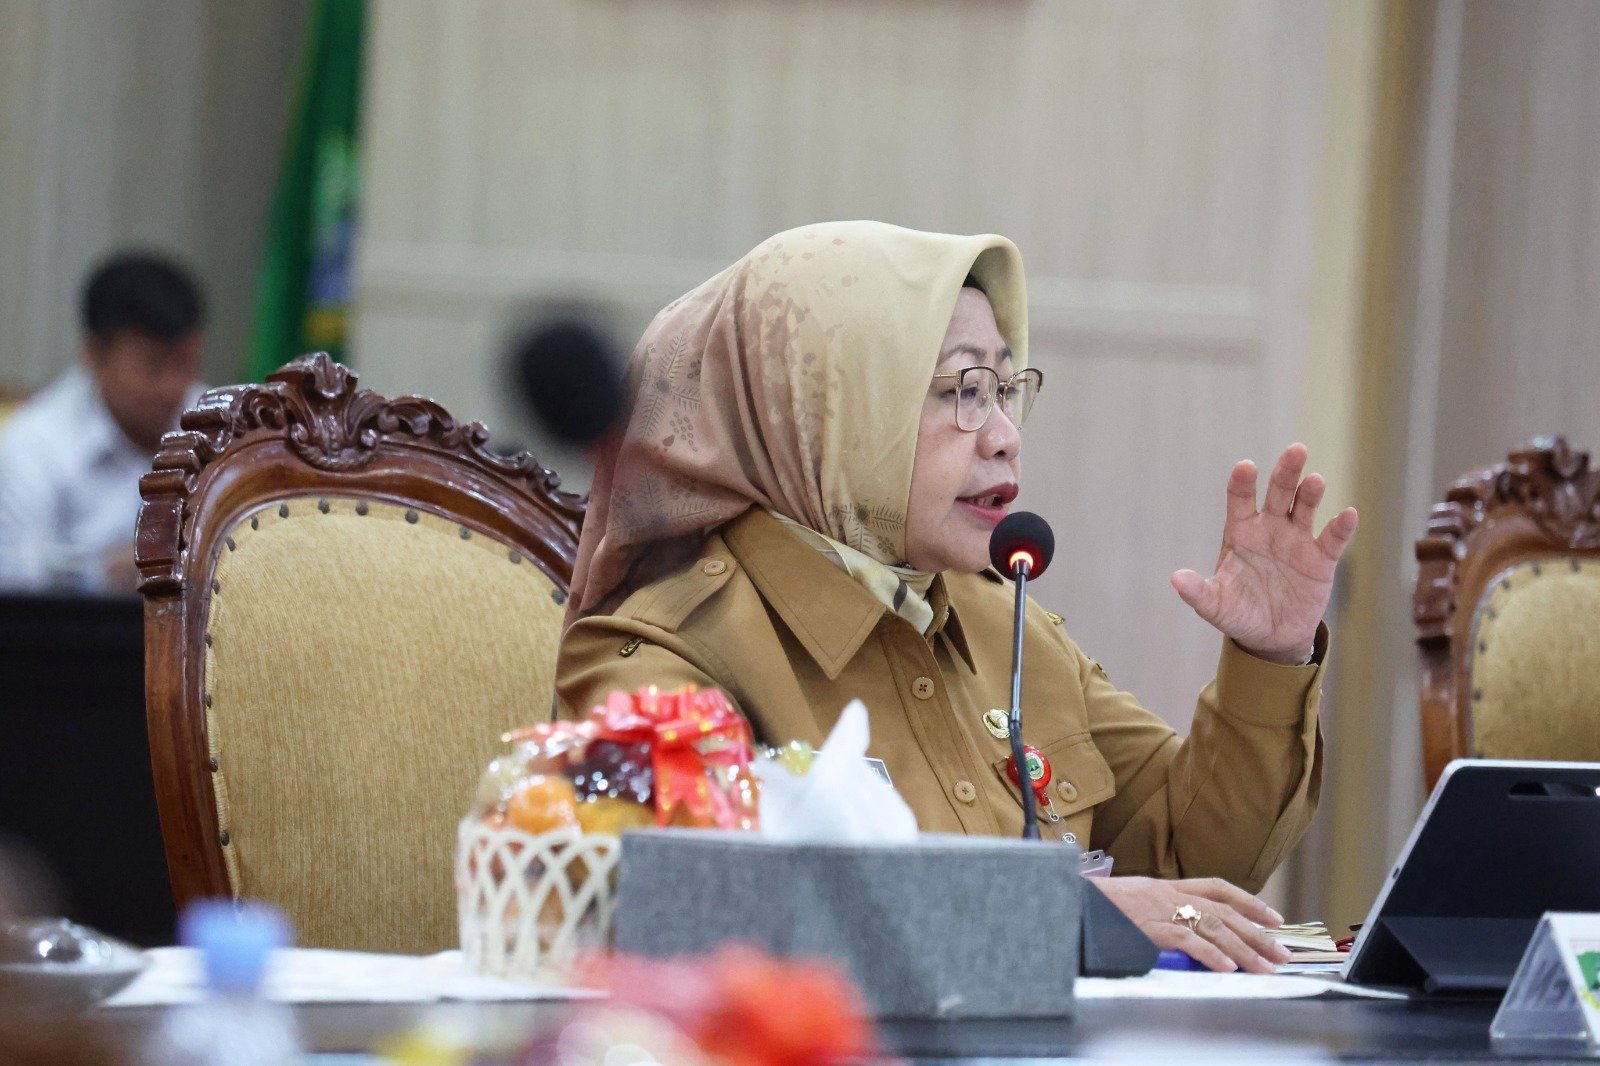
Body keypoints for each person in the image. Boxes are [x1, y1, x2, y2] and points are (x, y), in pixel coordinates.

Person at [556, 221, 1358, 974]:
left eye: (1007, 388)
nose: (1005, 434)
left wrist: (1270, 654)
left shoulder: (1003, 621)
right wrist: (1061, 914)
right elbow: (694, 925)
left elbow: (1188, 864)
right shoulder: (667, 658)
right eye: (964, 390)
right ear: (823, 410)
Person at [0, 252, 205, 594]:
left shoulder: (219, 426)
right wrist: (104, 574)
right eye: (153, 367)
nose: (173, 387)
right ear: (94, 356)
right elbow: (16, 590)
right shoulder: (33, 445)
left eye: (186, 363)